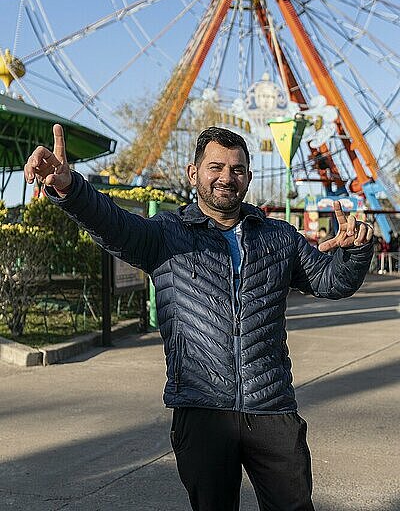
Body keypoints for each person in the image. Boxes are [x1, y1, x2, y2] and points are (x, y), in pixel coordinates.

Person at [24, 124, 374, 511]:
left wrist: (356, 252)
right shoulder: (166, 235)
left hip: (272, 408)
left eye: (237, 169)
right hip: (201, 409)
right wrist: (70, 188)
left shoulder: (279, 237)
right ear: (194, 174)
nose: (227, 177)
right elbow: (112, 223)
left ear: (248, 177)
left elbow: (330, 282)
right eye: (216, 167)